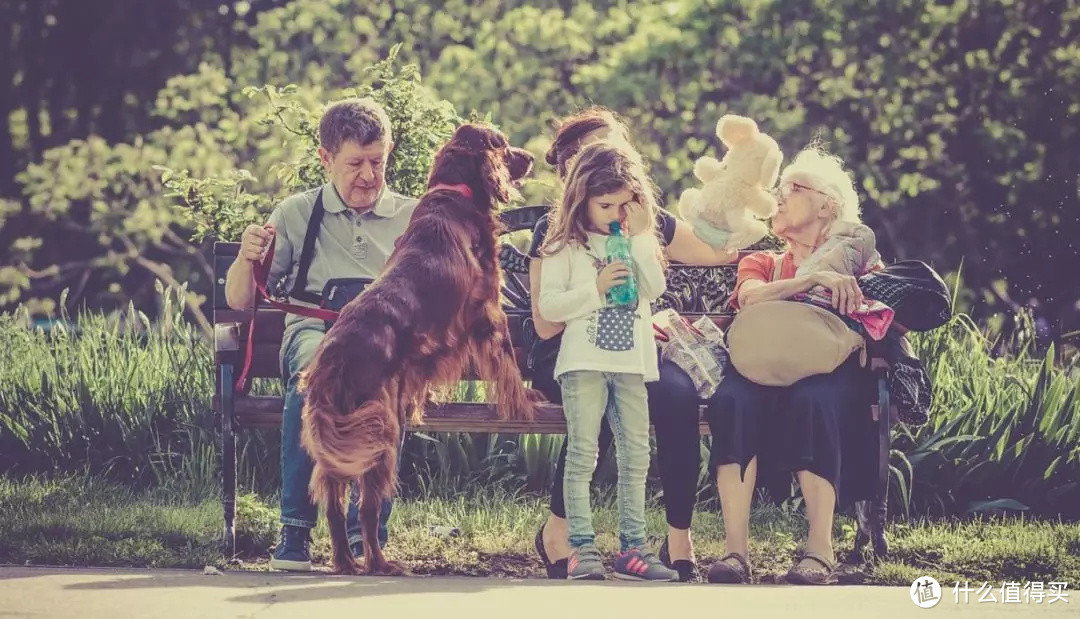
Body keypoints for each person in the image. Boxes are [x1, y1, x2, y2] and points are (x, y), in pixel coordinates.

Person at [530, 108, 739, 582]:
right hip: (573, 352)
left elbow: (703, 258)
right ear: (575, 172)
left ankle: (660, 540)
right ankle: (568, 535)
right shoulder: (559, 232)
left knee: (664, 413)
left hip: (630, 352)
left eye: (620, 152)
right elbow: (546, 322)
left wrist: (751, 228)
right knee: (593, 424)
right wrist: (597, 289)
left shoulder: (640, 221)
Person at [224, 97, 418, 571]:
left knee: (383, 388)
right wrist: (247, 257)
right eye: (355, 164)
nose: (369, 176)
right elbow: (240, 301)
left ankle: (365, 533)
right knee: (313, 379)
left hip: (381, 338)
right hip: (317, 328)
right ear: (326, 159)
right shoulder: (296, 212)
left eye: (378, 161)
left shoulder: (410, 214)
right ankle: (295, 532)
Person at [704, 145, 879, 586]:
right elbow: (748, 298)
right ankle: (735, 553)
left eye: (792, 188)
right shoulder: (763, 260)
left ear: (828, 204)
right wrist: (812, 279)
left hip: (828, 373)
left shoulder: (858, 258)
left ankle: (819, 551)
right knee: (731, 400)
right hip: (761, 367)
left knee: (814, 398)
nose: (778, 197)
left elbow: (884, 314)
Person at [537, 141, 677, 581]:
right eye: (605, 204)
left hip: (633, 364)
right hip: (583, 363)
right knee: (584, 454)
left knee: (637, 455)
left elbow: (653, 288)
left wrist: (637, 237)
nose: (615, 212)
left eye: (624, 203)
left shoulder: (637, 241)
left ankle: (633, 548)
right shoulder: (566, 246)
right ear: (582, 200)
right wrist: (595, 288)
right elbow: (550, 307)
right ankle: (581, 547)